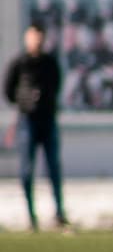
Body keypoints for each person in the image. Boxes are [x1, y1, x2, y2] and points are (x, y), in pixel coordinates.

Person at [9, 23, 68, 230]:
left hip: (48, 120)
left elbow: (57, 85)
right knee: (26, 169)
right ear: (27, 38)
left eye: (40, 36)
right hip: (27, 121)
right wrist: (25, 102)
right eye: (33, 36)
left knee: (53, 168)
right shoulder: (20, 63)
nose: (37, 40)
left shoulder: (50, 63)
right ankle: (31, 216)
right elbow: (9, 90)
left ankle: (59, 213)